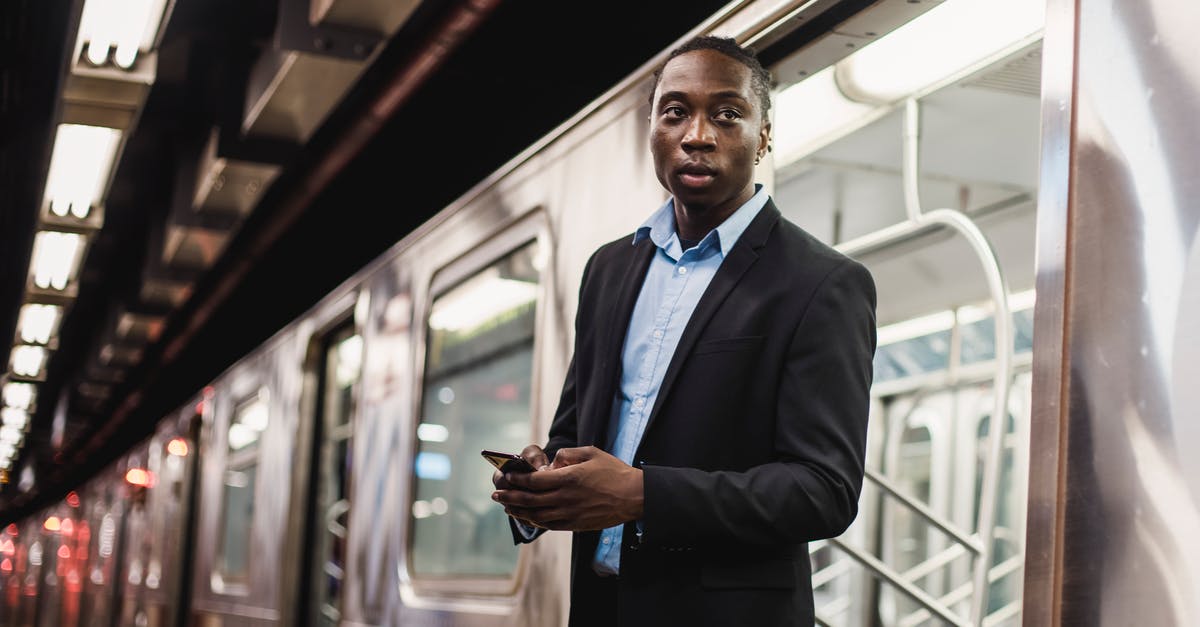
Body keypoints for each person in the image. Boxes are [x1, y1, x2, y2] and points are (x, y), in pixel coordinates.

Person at [491, 35, 876, 626]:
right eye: (675, 112)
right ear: (651, 130)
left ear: (764, 136)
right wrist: (543, 487)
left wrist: (642, 493)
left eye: (727, 114)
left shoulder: (822, 283)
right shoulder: (609, 269)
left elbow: (823, 489)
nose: (697, 135)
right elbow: (573, 432)